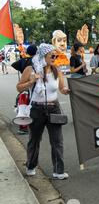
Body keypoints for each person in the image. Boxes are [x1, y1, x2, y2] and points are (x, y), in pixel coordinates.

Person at [16, 44, 70, 180]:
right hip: (36, 109)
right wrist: (31, 82)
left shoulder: (57, 69)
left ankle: (59, 170)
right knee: (34, 139)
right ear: (43, 55)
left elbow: (62, 88)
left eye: (55, 55)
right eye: (52, 55)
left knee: (57, 141)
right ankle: (31, 165)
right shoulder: (30, 70)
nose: (54, 57)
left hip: (54, 108)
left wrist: (65, 91)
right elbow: (19, 88)